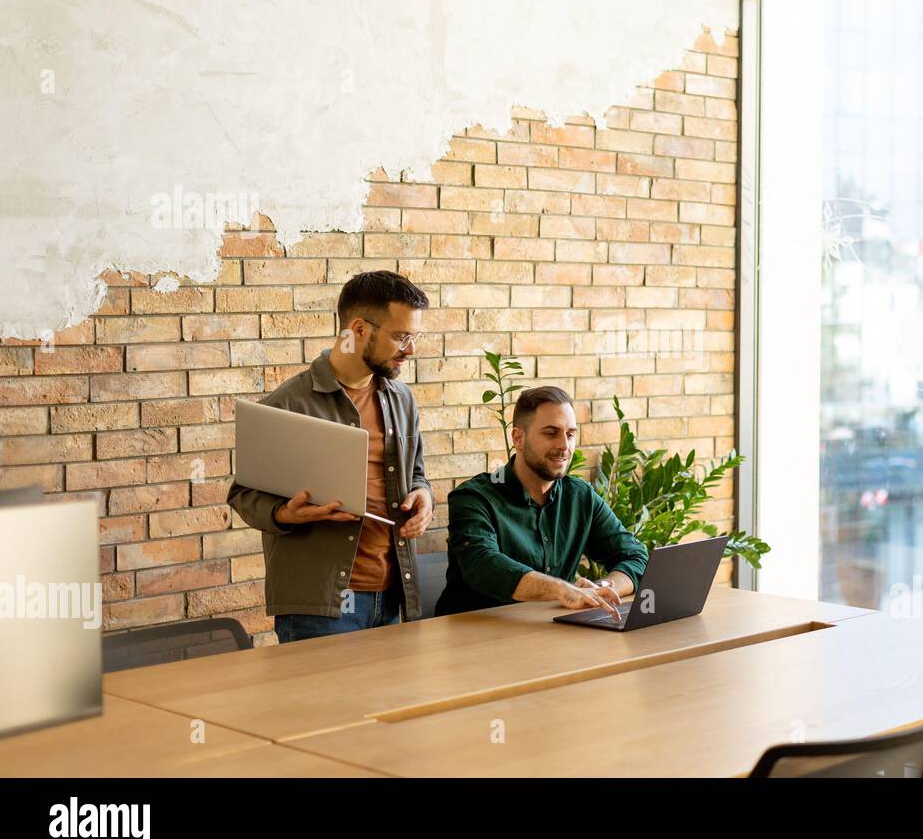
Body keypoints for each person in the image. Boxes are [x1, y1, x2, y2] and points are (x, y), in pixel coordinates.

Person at [227, 270, 435, 642]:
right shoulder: (288, 404)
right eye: (402, 337)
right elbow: (243, 495)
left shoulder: (401, 399)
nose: (411, 350)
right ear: (358, 329)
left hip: (392, 595)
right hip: (321, 608)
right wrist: (284, 514)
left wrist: (424, 497)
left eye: (415, 337)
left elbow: (417, 474)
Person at [435, 386, 648, 620]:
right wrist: (561, 589)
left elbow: (635, 556)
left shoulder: (581, 497)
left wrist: (602, 588)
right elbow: (484, 566)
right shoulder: (474, 498)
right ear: (518, 438)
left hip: (549, 635)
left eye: (570, 434)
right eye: (551, 433)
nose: (564, 446)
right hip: (470, 640)